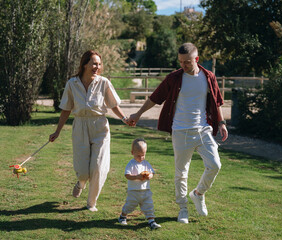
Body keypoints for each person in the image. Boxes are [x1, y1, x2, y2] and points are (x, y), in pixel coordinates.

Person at [128, 43, 228, 224]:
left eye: (187, 62)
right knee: (181, 173)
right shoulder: (174, 78)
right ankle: (183, 209)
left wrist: (221, 123)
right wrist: (138, 114)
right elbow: (154, 98)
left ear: (196, 59)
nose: (183, 65)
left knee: (215, 165)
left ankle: (198, 193)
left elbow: (216, 101)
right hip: (180, 131)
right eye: (181, 62)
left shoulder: (208, 77)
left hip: (203, 129)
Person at [49, 50, 129, 212]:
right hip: (80, 126)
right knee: (83, 170)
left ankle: (91, 203)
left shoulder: (104, 82)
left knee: (99, 167)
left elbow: (113, 105)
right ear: (84, 64)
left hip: (100, 126)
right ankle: (81, 182)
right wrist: (57, 131)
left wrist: (124, 119)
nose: (97, 67)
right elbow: (66, 109)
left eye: (99, 64)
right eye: (93, 63)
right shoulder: (72, 84)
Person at [118, 138, 161, 230]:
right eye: (138, 155)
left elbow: (152, 172)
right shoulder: (131, 164)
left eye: (143, 155)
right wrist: (136, 177)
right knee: (130, 205)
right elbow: (127, 175)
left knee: (149, 206)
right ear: (132, 152)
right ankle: (122, 216)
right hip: (134, 191)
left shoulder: (146, 163)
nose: (141, 158)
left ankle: (152, 221)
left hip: (146, 190)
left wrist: (150, 176)